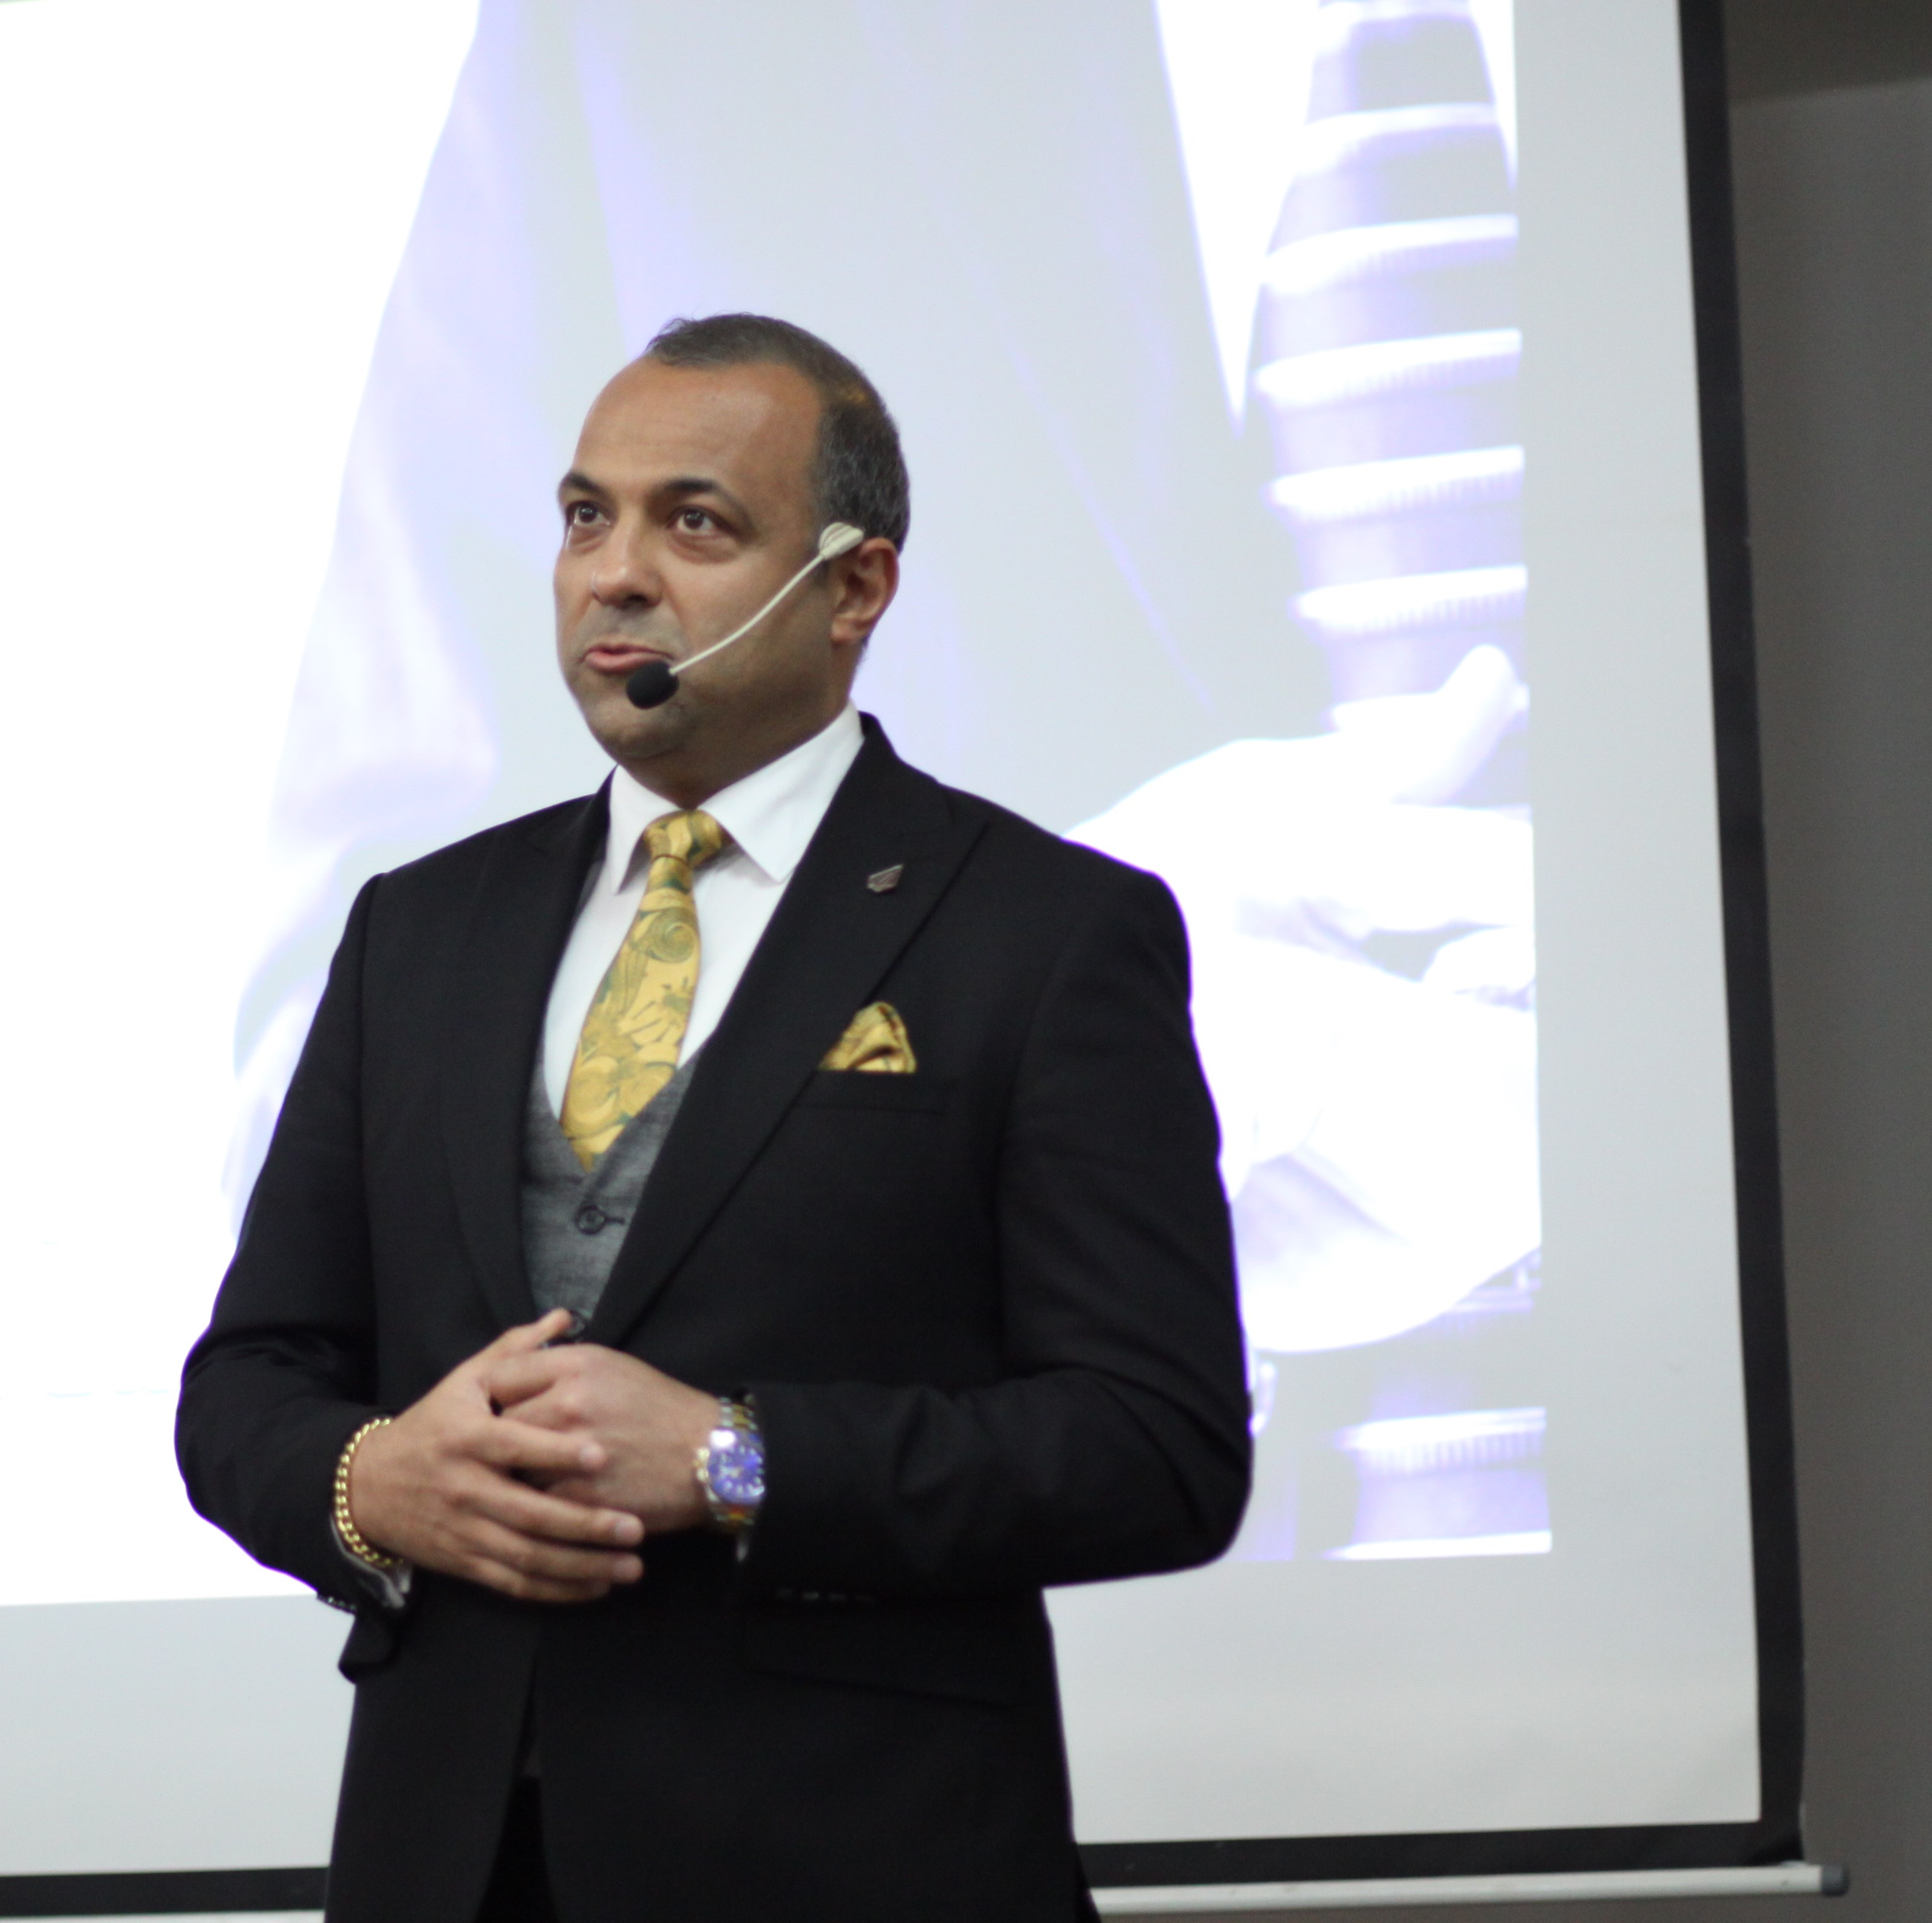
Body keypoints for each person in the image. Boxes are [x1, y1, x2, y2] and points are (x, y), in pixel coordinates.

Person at [177, 314, 1250, 1922]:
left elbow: (1156, 1448)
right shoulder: (422, 929)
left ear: (854, 587)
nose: (612, 576)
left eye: (694, 524)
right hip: (452, 1867)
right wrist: (368, 1482)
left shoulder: (1044, 933)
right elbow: (249, 1382)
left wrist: (739, 1459)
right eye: (584, 516)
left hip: (859, 1867)